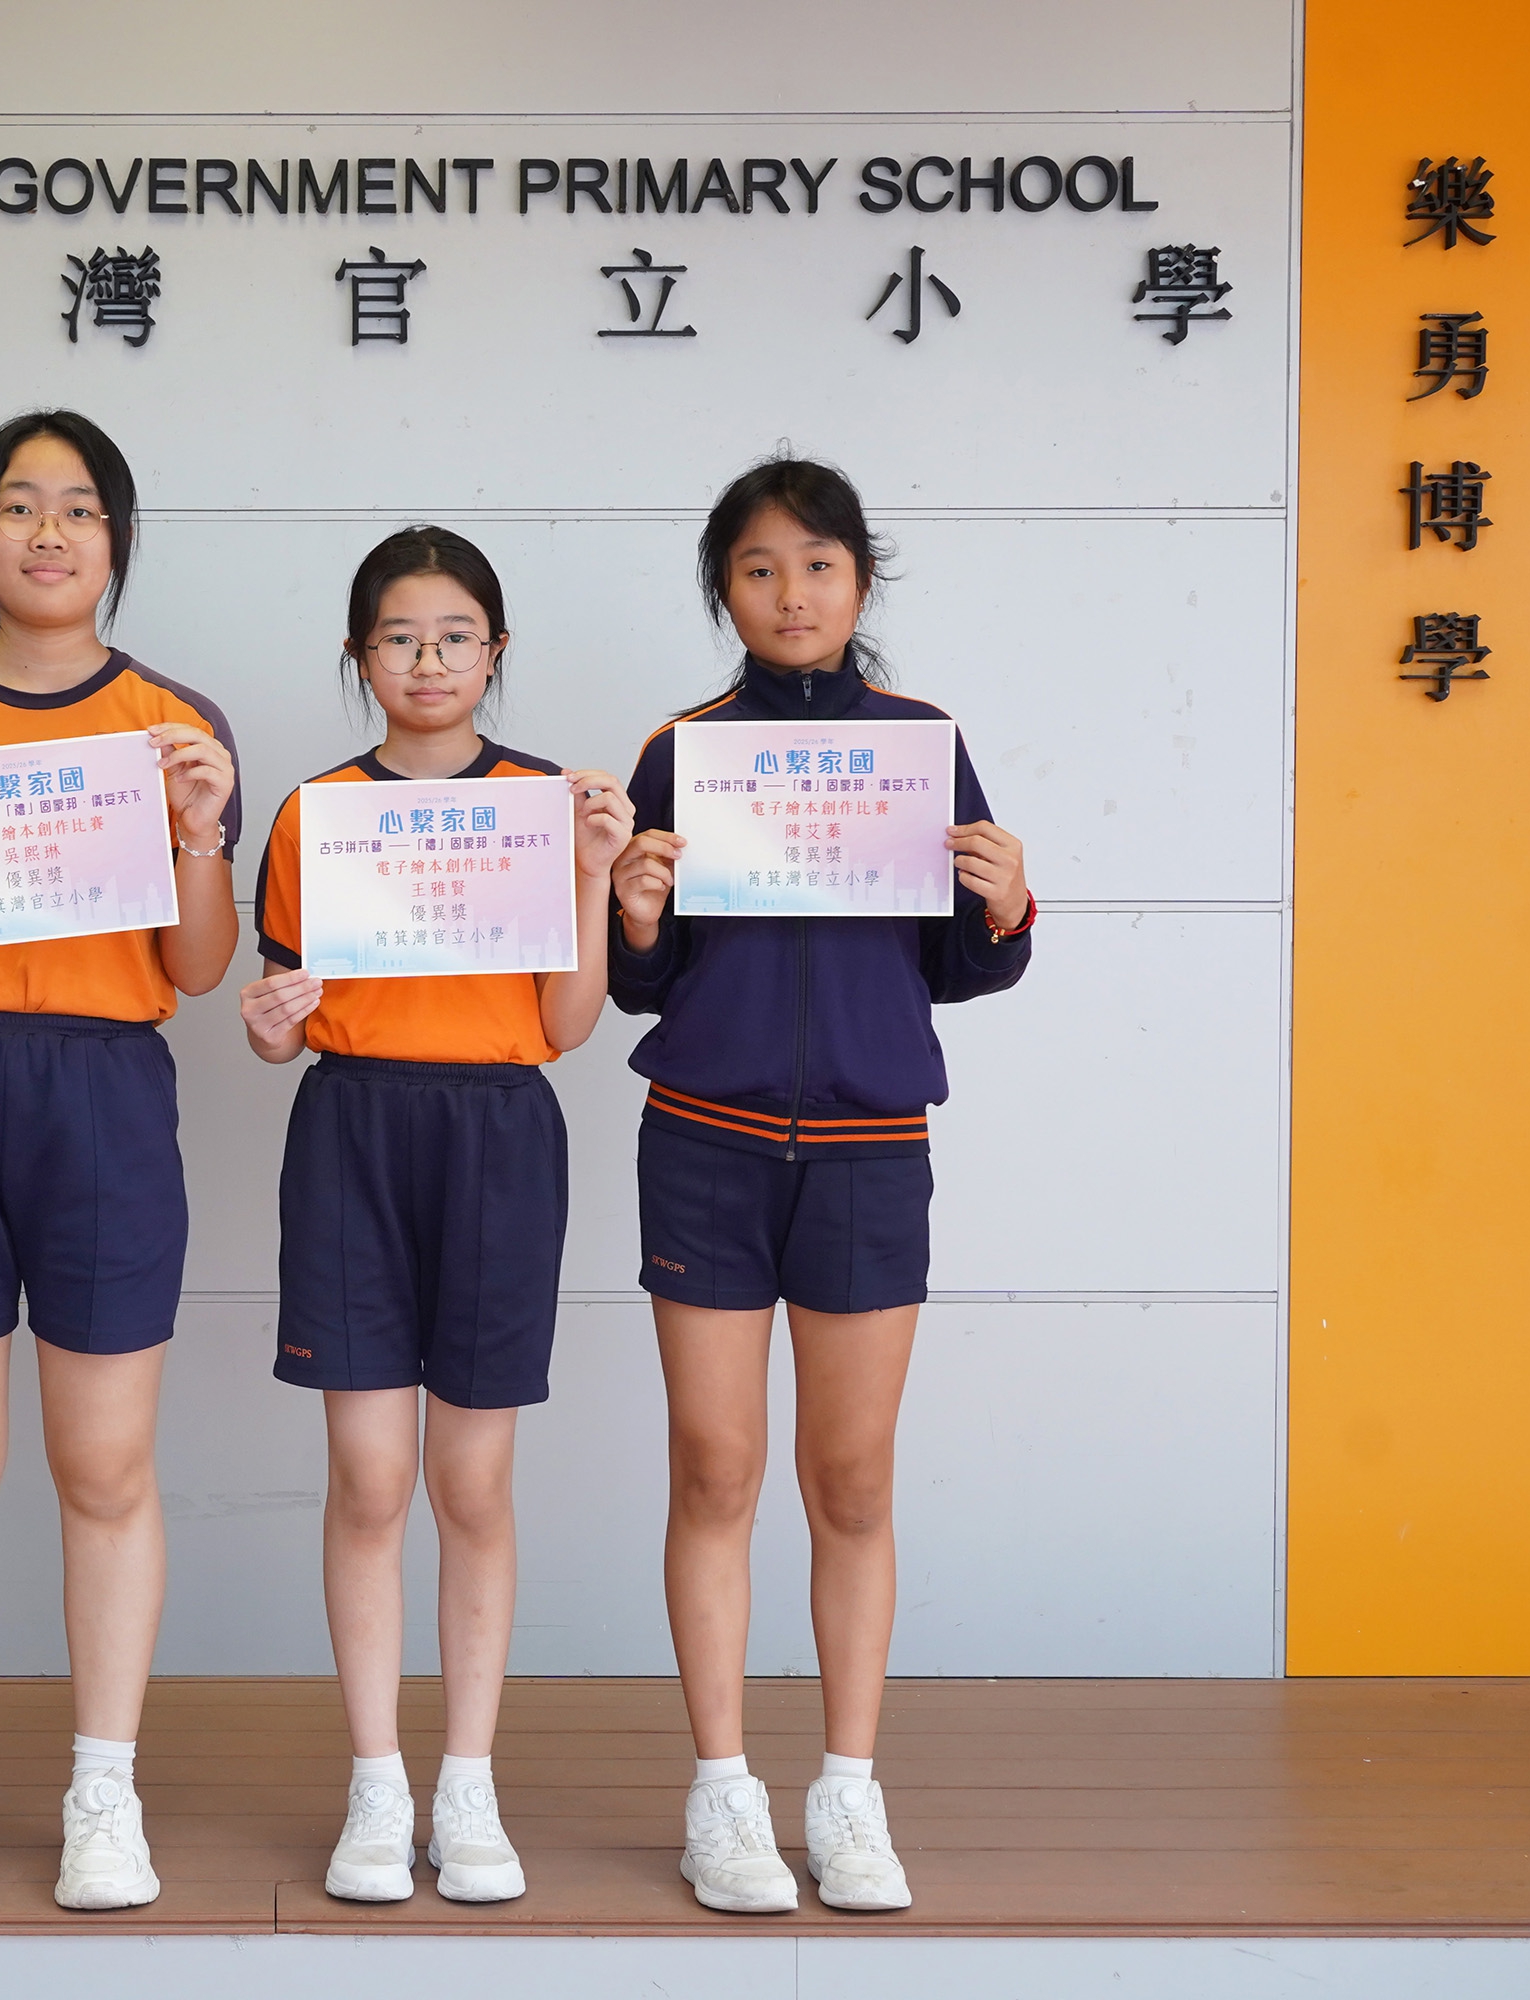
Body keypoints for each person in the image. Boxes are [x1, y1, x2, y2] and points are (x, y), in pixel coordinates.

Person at [608, 457, 1033, 1915]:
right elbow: (641, 983)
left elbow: (960, 966)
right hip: (704, 1140)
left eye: (818, 565)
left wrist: (1005, 900)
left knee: (850, 1480)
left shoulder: (921, 746)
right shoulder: (681, 753)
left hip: (868, 1148)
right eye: (759, 569)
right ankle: (722, 1794)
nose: (791, 594)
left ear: (861, 581)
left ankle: (849, 1790)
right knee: (715, 1468)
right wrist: (638, 915)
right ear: (724, 592)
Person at [0, 410, 240, 1913]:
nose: (50, 532)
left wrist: (199, 831)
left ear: (117, 542)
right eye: (20, 506)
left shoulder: (170, 723)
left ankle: (102, 1790)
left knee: (107, 1466)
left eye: (79, 508)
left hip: (105, 1095)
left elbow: (198, 967)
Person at [241, 527, 634, 1905]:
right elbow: (280, 1025)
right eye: (399, 637)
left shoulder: (543, 805)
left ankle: (467, 1781)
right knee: (368, 1480)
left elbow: (567, 1026)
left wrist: (593, 872)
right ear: (360, 656)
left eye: (455, 636)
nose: (427, 660)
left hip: (500, 1136)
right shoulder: (315, 815)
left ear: (495, 651)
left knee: (472, 1483)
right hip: (352, 1129)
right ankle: (375, 1782)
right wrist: (271, 1023)